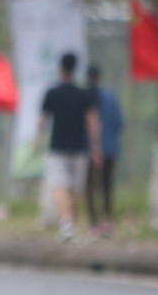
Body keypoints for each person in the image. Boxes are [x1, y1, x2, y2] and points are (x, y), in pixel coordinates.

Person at [38, 52, 102, 242]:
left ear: (61, 69)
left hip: (58, 148)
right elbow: (93, 123)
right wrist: (96, 148)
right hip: (79, 148)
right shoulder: (83, 95)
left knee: (59, 187)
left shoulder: (53, 93)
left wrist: (36, 142)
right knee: (75, 189)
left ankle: (67, 224)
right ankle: (69, 224)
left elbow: (42, 121)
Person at [84, 64, 124, 238]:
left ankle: (93, 223)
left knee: (90, 187)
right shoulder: (111, 97)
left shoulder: (85, 97)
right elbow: (119, 123)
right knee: (107, 185)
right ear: (100, 77)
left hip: (88, 149)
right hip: (110, 148)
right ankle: (108, 221)